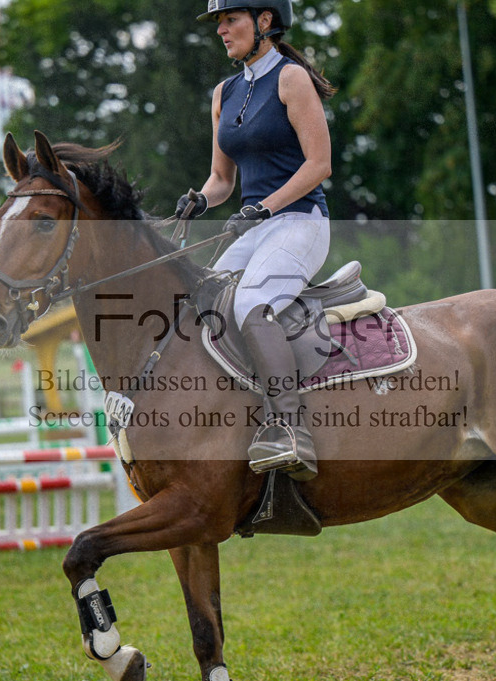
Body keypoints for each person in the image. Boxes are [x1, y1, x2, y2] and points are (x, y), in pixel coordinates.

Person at [175, 0, 336, 481]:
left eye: (231, 20)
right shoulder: (223, 93)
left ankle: (291, 429)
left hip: (301, 221)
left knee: (249, 304)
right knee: (201, 302)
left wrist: (265, 206)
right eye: (219, 24)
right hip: (257, 225)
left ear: (264, 22)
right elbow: (221, 180)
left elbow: (319, 165)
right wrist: (200, 201)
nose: (221, 30)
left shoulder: (290, 79)